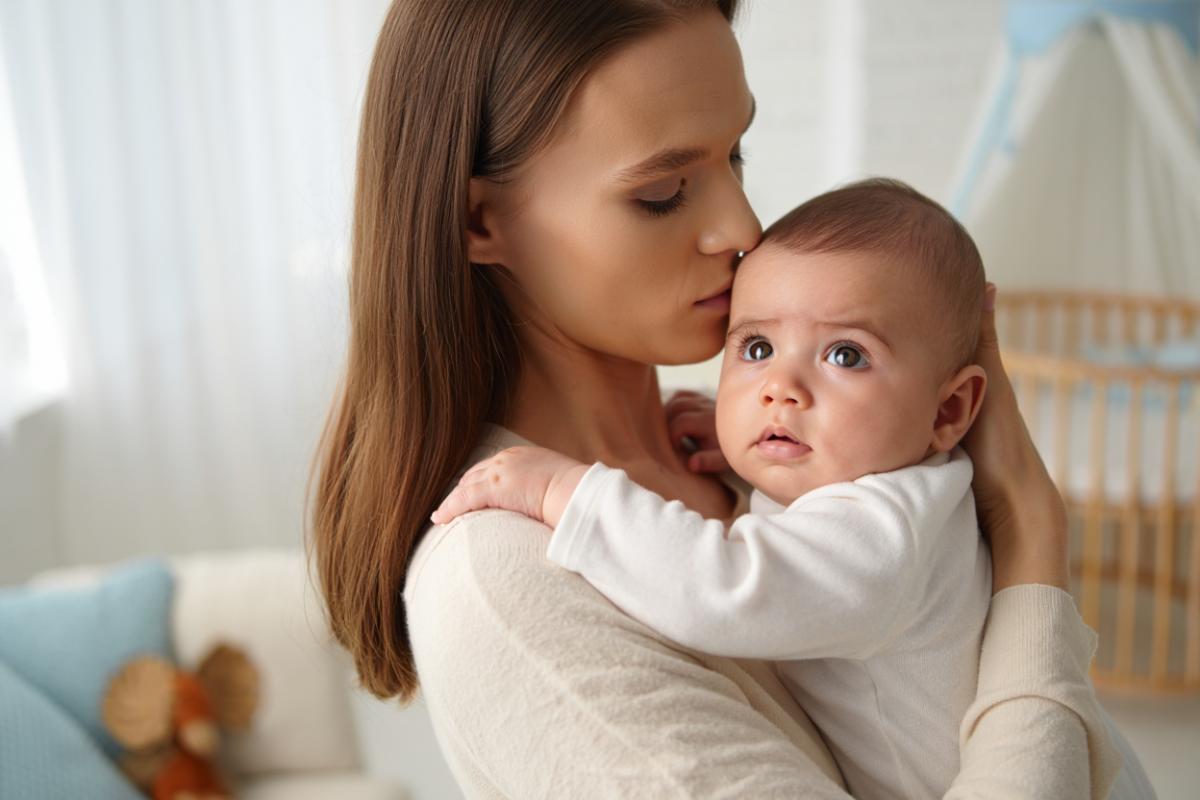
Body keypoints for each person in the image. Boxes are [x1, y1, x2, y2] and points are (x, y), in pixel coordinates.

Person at [311, 1, 1139, 797]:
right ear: (480, 220)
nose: (744, 228)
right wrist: (1032, 549)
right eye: (662, 193)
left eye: (736, 154)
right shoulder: (505, 579)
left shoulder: (763, 449)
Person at [431, 178, 994, 800]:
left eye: (846, 356)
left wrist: (569, 491)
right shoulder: (489, 578)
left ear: (948, 412)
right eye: (757, 347)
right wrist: (740, 452)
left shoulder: (886, 529)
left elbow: (727, 585)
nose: (781, 389)